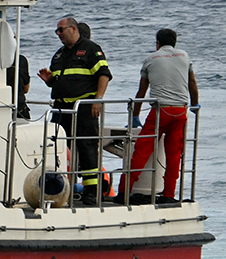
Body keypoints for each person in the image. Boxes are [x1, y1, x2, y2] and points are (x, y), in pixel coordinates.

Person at [38, 15, 110, 204]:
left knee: (86, 148)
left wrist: (98, 100)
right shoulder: (60, 54)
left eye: (61, 30)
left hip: (83, 108)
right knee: (58, 147)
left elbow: (104, 75)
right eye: (57, 31)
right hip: (61, 109)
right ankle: (60, 187)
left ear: (74, 29)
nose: (58, 34)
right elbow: (61, 80)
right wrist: (50, 81)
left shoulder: (91, 50)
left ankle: (91, 190)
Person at [127, 28, 199, 205]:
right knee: (174, 156)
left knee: (142, 151)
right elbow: (192, 84)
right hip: (180, 112)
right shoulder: (185, 57)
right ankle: (168, 194)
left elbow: (142, 91)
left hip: (160, 112)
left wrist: (135, 115)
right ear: (175, 42)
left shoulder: (151, 59)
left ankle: (124, 190)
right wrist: (195, 105)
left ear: (157, 43)